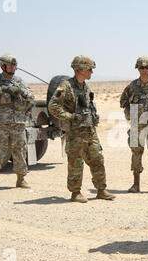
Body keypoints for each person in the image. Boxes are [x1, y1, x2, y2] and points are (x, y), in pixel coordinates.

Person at [48, 55, 115, 203]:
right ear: (80, 69)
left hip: (90, 130)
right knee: (76, 162)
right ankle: (75, 192)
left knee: (97, 158)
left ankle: (101, 190)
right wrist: (70, 116)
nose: (91, 72)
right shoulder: (64, 86)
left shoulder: (85, 86)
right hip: (75, 132)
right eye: (89, 69)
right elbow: (53, 106)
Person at [0, 54, 34, 192]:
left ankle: (20, 179)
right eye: (10, 65)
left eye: (14, 65)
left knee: (20, 150)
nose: (13, 68)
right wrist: (1, 90)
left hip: (18, 122)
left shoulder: (19, 81)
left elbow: (31, 96)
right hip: (0, 123)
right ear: (2, 66)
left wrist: (20, 90)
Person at [120, 56, 148, 194]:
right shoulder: (132, 87)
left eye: (147, 67)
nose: (144, 70)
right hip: (136, 127)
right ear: (138, 69)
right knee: (136, 154)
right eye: (141, 67)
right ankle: (135, 185)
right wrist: (130, 115)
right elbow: (123, 103)